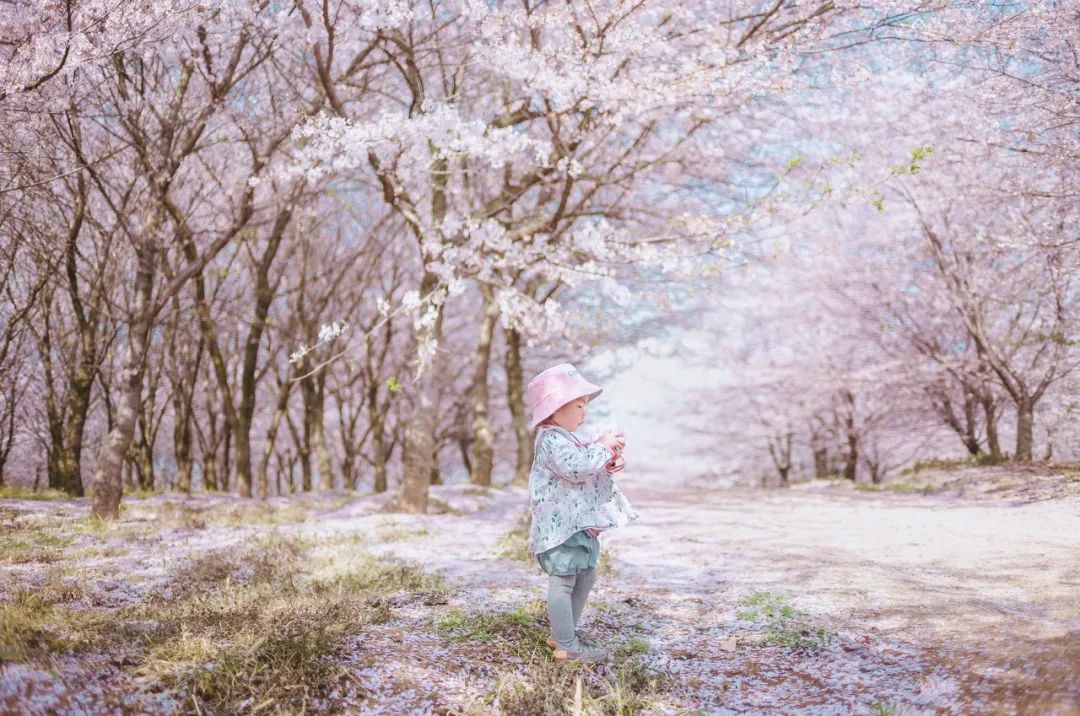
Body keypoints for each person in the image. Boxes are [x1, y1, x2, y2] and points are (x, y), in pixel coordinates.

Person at [526, 363, 639, 663]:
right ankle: (566, 644)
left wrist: (610, 452)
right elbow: (577, 467)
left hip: (578, 527)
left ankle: (564, 633)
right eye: (578, 406)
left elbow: (587, 460)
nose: (583, 414)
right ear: (556, 408)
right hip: (561, 530)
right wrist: (601, 447)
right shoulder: (550, 439)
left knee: (586, 577)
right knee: (563, 581)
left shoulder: (566, 439)